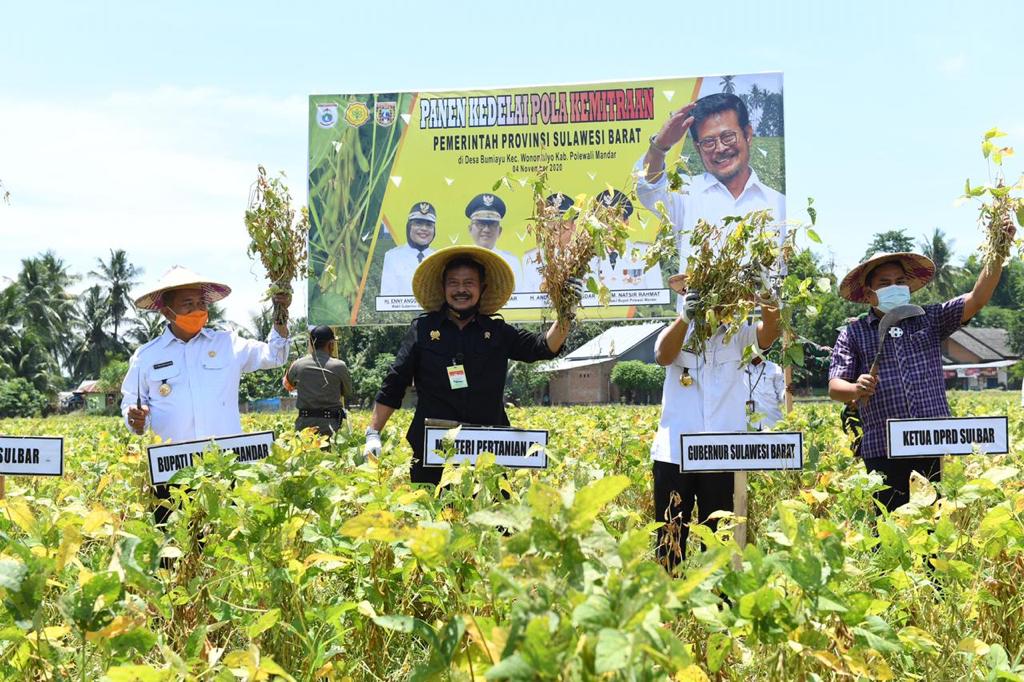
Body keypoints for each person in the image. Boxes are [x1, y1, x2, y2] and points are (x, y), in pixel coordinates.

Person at [363, 245, 579, 485]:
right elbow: (396, 381)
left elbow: (544, 346)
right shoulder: (423, 330)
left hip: (488, 449)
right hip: (433, 449)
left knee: (493, 519)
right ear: (443, 288)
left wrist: (565, 312)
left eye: (469, 283)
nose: (461, 290)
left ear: (482, 288)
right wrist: (373, 432)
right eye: (453, 283)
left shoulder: (497, 331)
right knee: (432, 517)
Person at [827, 244, 1012, 513]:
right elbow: (835, 386)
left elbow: (977, 299)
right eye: (885, 283)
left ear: (909, 287)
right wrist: (855, 388)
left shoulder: (930, 319)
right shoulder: (854, 333)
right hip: (883, 447)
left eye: (900, 281)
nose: (895, 287)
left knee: (930, 526)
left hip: (929, 441)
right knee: (889, 530)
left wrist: (998, 250)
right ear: (869, 293)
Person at [121, 266, 291, 523]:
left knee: (225, 550)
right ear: (167, 312)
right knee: (173, 553)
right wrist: (136, 418)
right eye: (187, 304)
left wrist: (281, 314)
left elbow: (275, 355)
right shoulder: (147, 356)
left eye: (201, 303)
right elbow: (132, 404)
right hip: (173, 472)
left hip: (224, 467)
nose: (197, 310)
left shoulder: (228, 344)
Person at [651, 280, 780, 571]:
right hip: (674, 455)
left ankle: (720, 608)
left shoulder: (739, 335)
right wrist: (686, 318)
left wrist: (768, 298)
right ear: (686, 296)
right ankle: (670, 609)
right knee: (670, 539)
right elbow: (663, 356)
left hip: (722, 455)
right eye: (699, 293)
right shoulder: (675, 332)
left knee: (721, 539)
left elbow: (770, 333)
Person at [635, 93, 785, 310]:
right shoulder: (686, 193)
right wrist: (660, 146)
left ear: (748, 134)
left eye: (728, 137)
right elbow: (647, 188)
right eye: (708, 142)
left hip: (761, 335)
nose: (720, 148)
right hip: (695, 335)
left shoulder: (778, 204)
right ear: (697, 148)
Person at [284, 325, 353, 438]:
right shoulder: (339, 366)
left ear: (312, 344)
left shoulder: (298, 365)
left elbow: (288, 385)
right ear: (331, 344)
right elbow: (347, 392)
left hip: (304, 426)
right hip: (330, 426)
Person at [590, 189, 663, 291]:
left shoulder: (646, 254)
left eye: (615, 217)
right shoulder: (587, 258)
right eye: (603, 218)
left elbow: (658, 298)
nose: (609, 224)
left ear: (626, 222)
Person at [465, 193, 524, 287]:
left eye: (492, 224)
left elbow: (519, 296)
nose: (486, 229)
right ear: (470, 229)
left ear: (499, 231)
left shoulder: (511, 262)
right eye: (480, 224)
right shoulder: (461, 258)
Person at [519, 192, 575, 293]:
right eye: (552, 219)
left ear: (573, 227)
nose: (557, 225)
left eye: (564, 220)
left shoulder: (582, 256)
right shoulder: (530, 258)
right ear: (544, 225)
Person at [380, 201, 438, 296]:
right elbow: (387, 296)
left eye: (429, 225)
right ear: (409, 227)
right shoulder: (392, 256)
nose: (424, 228)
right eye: (418, 224)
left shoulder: (439, 256)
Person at [745, 357, 785, 431]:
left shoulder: (774, 368)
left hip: (771, 421)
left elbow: (782, 393)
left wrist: (788, 392)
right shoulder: (740, 368)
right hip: (747, 424)